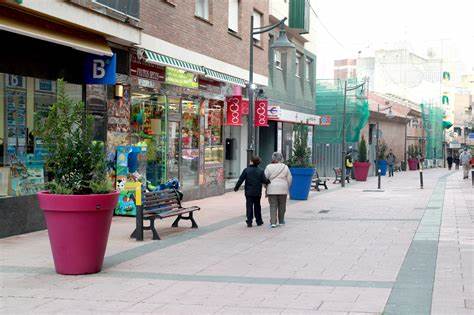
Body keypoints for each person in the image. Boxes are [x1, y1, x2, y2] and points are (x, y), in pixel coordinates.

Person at [234, 156, 270, 227]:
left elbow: (241, 179)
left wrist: (236, 187)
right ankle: (259, 221)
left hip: (249, 192)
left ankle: (249, 221)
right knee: (257, 206)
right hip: (257, 192)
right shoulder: (260, 170)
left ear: (252, 162)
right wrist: (268, 181)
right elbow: (264, 180)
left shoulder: (246, 170)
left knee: (249, 206)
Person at [264, 152, 292, 228]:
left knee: (273, 205)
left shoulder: (268, 167)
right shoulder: (285, 167)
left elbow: (265, 178)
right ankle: (281, 221)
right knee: (282, 205)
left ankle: (273, 222)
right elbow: (289, 178)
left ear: (273, 158)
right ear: (281, 158)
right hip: (283, 188)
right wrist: (287, 186)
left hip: (272, 188)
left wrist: (265, 187)